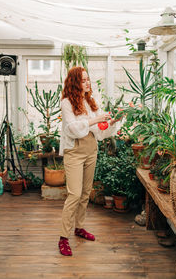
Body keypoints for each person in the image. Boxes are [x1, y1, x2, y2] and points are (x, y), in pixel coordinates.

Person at [58, 66, 120, 256]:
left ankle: (79, 227)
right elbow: (72, 128)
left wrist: (115, 119)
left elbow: (101, 129)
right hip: (74, 151)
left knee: (85, 193)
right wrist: (96, 120)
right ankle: (63, 238)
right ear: (75, 82)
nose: (88, 83)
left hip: (91, 149)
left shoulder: (90, 101)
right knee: (74, 195)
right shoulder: (67, 103)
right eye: (83, 80)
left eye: (88, 79)